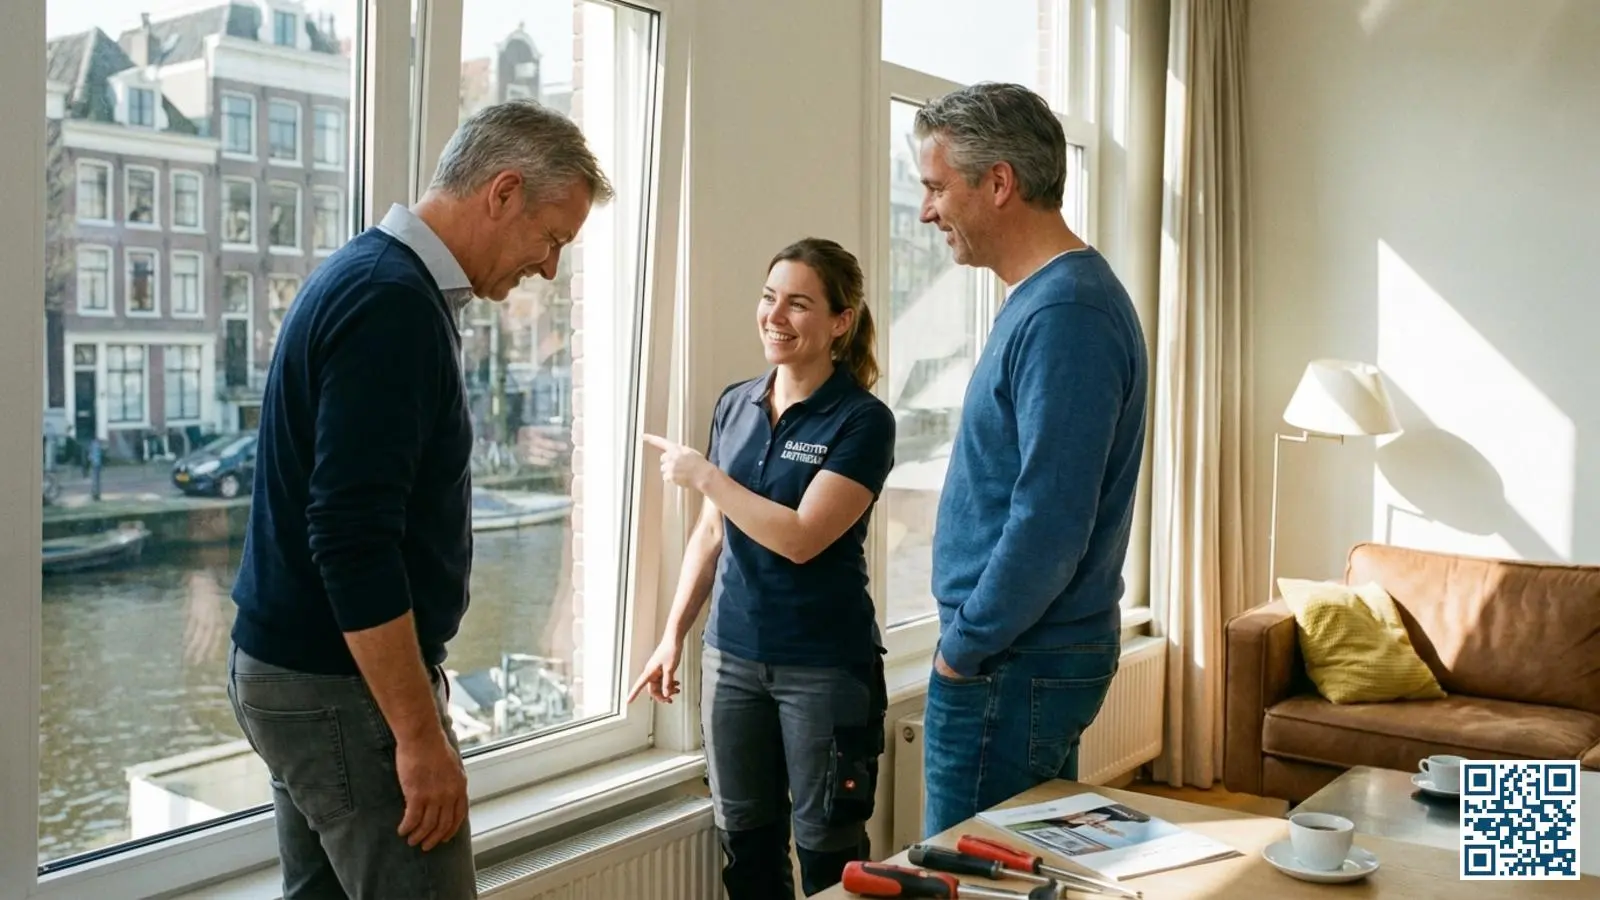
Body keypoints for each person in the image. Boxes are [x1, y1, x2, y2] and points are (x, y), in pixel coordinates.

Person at [225, 99, 612, 900]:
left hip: (292, 672)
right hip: (339, 689)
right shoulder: (392, 305)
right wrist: (417, 733)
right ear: (503, 192)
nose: (548, 268)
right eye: (552, 239)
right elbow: (351, 537)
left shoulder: (367, 274)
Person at [913, 82, 1149, 836]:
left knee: (971, 876)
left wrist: (963, 649)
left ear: (999, 182)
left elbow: (1049, 523)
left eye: (936, 187)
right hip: (1017, 657)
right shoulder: (1048, 299)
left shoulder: (1066, 311)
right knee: (1021, 871)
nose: (926, 212)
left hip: (1010, 661)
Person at [631, 237, 895, 898]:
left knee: (830, 860)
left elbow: (802, 538)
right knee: (747, 855)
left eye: (798, 304)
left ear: (840, 321)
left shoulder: (863, 421)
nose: (775, 316)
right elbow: (711, 532)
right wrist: (672, 636)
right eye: (769, 297)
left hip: (824, 669)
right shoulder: (736, 404)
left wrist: (705, 476)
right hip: (732, 663)